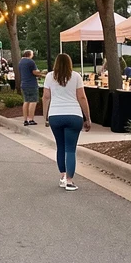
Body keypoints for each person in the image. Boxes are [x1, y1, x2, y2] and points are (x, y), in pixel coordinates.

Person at [43, 53, 91, 191]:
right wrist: (87, 117)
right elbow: (81, 97)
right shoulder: (76, 76)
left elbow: (46, 97)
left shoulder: (49, 77)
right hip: (73, 115)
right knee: (70, 149)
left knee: (60, 147)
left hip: (55, 115)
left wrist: (46, 116)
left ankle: (63, 176)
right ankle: (69, 181)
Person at [18, 49, 43, 127]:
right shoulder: (30, 62)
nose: (33, 55)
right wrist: (41, 73)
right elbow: (34, 72)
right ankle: (31, 119)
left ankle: (25, 119)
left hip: (24, 84)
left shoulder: (21, 62)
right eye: (32, 54)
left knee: (26, 101)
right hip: (31, 84)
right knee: (33, 101)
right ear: (29, 54)